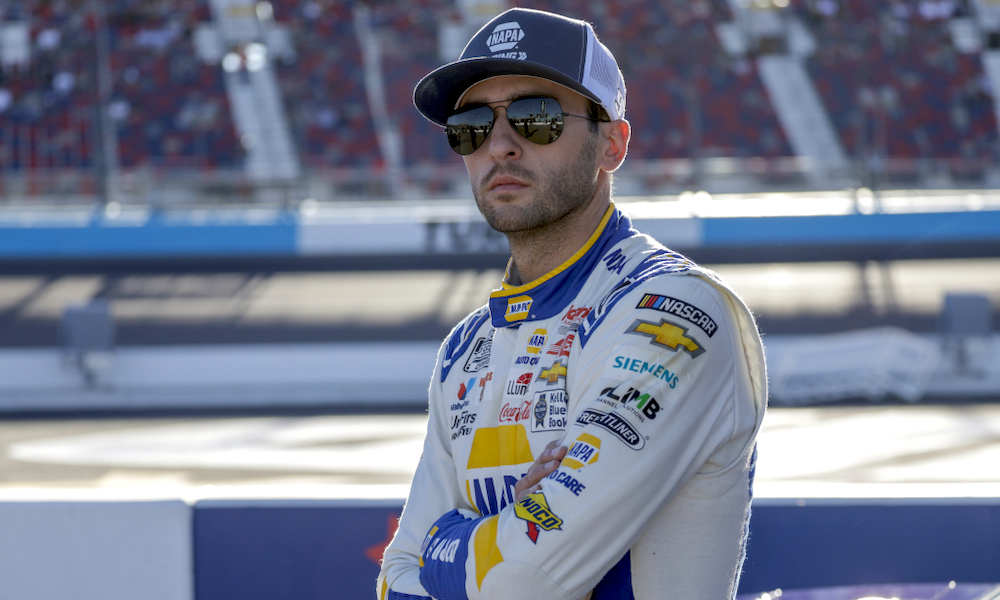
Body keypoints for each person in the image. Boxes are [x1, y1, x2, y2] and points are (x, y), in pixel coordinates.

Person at [377, 8, 767, 600]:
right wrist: (496, 535)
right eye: (472, 125)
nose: (500, 146)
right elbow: (393, 578)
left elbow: (521, 581)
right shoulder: (466, 348)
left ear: (612, 143)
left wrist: (448, 540)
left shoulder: (677, 310)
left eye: (537, 118)